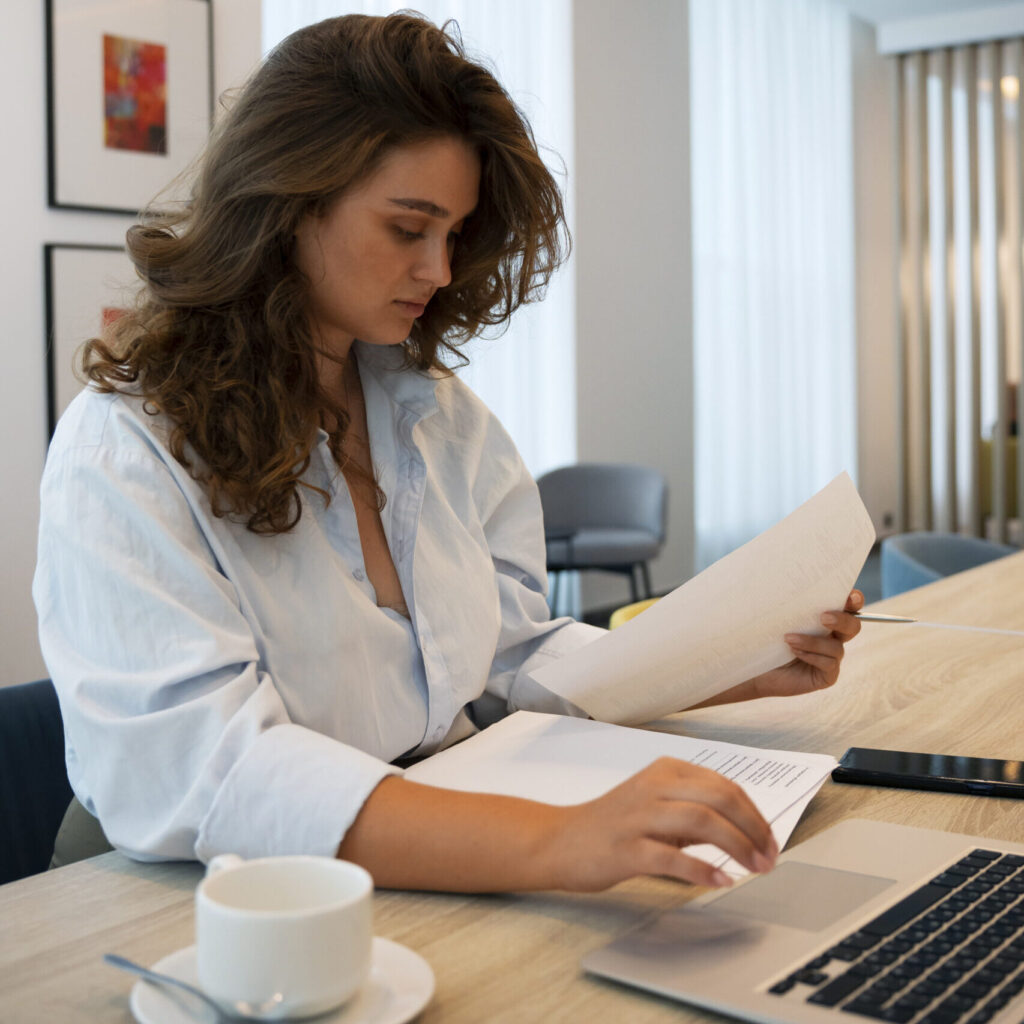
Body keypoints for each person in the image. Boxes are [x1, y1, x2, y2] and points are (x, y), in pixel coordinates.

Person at [33, 12, 862, 893]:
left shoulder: (438, 417)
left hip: (413, 847)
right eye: (408, 228)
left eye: (456, 233)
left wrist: (728, 667)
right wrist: (553, 841)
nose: (437, 269)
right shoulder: (127, 445)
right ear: (287, 204)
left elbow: (508, 659)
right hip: (192, 896)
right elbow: (207, 771)